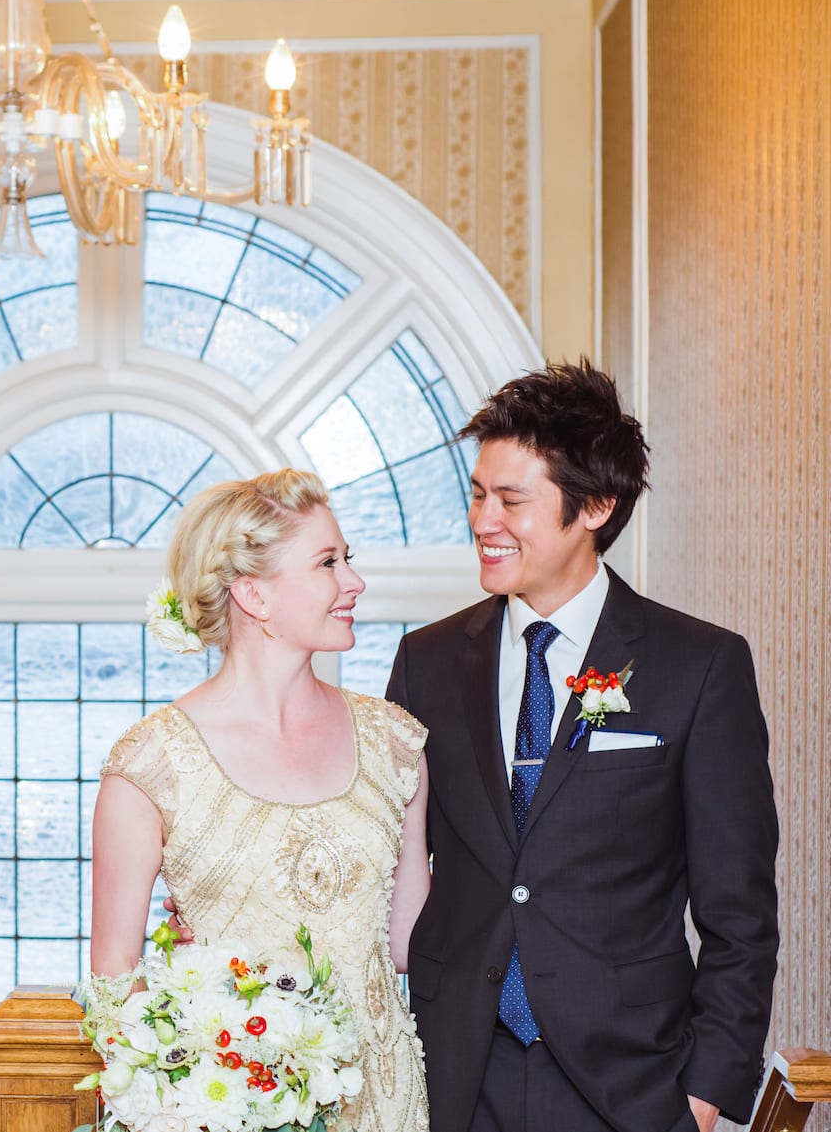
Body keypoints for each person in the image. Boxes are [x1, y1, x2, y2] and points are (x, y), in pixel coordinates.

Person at [386, 362, 779, 1132]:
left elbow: (740, 914)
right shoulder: (426, 662)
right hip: (457, 1079)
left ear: (595, 506)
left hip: (631, 1086)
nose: (483, 520)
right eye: (477, 493)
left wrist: (701, 1097)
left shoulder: (698, 665)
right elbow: (382, 855)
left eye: (512, 500)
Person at [92, 468, 432, 1132]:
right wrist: (183, 1103)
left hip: (387, 1104)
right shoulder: (150, 763)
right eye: (328, 562)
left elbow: (411, 940)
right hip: (230, 1110)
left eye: (348, 560)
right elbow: (113, 982)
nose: (353, 582)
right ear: (253, 593)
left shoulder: (396, 743)